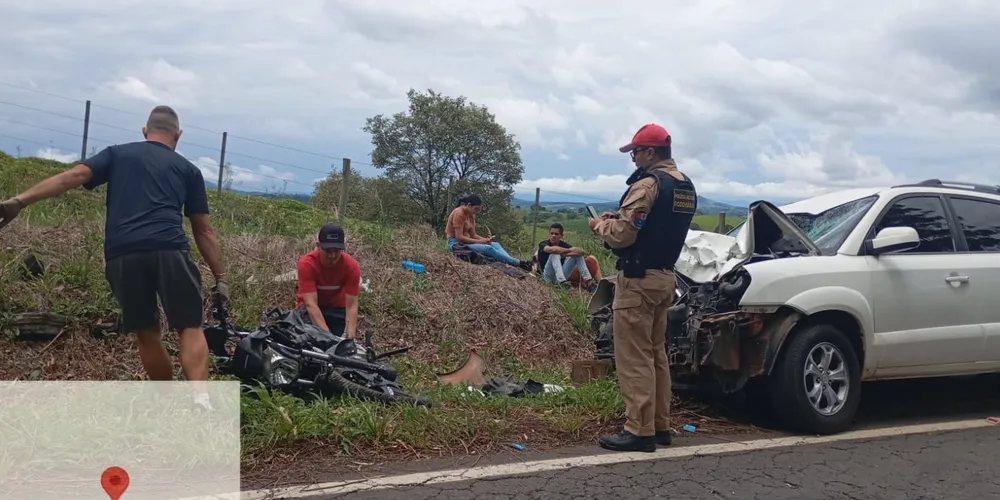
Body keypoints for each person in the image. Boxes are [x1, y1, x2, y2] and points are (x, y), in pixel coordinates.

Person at [0, 105, 228, 409]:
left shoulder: (118, 154)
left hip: (123, 254)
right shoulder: (188, 170)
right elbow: (204, 230)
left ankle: (166, 403)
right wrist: (220, 277)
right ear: (179, 135)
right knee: (189, 325)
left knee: (147, 333)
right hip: (169, 249)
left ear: (145, 131)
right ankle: (200, 399)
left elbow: (74, 175)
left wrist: (19, 201)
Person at [588, 123, 696, 452]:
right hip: (665, 278)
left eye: (635, 152)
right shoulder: (684, 185)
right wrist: (620, 218)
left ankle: (639, 429)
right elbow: (653, 223)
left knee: (634, 357)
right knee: (656, 355)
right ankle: (660, 426)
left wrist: (601, 225)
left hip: (638, 280)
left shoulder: (648, 184)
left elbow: (624, 235)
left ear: (650, 152)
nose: (633, 158)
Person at [295, 223, 361, 338]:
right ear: (318, 246)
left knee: (342, 342)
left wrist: (350, 336)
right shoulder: (307, 264)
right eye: (328, 250)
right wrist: (328, 337)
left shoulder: (351, 266)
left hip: (336, 309)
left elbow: (351, 306)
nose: (332, 255)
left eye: (336, 250)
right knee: (309, 338)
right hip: (309, 311)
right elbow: (311, 304)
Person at [446, 194, 532, 271]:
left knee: (495, 244)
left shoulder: (471, 215)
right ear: (469, 205)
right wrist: (481, 242)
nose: (477, 211)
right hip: (456, 243)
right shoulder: (458, 213)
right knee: (488, 248)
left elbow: (473, 235)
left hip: (467, 241)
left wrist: (486, 240)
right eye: (476, 209)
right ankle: (519, 263)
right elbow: (459, 237)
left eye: (479, 209)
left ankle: (512, 262)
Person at [536, 222, 598, 292]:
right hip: (546, 276)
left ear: (561, 235)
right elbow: (551, 249)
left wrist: (565, 253)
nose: (553, 236)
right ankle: (562, 282)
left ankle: (589, 282)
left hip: (560, 275)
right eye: (552, 233)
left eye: (556, 234)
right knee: (554, 254)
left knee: (578, 256)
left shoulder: (563, 244)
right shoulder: (543, 243)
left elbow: (582, 251)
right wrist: (568, 251)